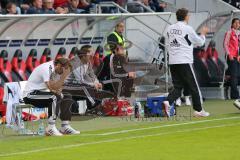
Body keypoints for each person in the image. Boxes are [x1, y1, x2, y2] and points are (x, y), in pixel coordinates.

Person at [163, 8, 209, 117]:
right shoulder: (188, 28)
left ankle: (167, 102)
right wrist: (203, 34)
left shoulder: (169, 28)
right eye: (188, 15)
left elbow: (167, 43)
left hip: (173, 61)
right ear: (186, 17)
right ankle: (198, 110)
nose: (189, 17)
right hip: (184, 60)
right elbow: (200, 42)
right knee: (194, 86)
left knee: (178, 87)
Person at [23, 58, 80, 136]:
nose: (64, 72)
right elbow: (51, 87)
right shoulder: (47, 68)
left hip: (42, 93)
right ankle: (51, 127)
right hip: (30, 95)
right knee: (54, 97)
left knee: (67, 96)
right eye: (64, 70)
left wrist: (60, 91)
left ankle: (65, 126)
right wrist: (60, 87)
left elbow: (59, 87)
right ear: (59, 65)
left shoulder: (57, 71)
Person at [64, 45, 114, 113]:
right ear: (84, 55)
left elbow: (92, 75)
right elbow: (80, 81)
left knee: (98, 86)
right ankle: (92, 107)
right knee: (87, 87)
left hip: (76, 86)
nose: (92, 55)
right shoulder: (76, 63)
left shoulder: (87, 62)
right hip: (67, 87)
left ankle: (95, 106)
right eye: (90, 53)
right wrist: (93, 85)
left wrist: (97, 83)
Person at [223, 18, 240, 99]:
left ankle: (227, 75)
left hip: (238, 57)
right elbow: (225, 44)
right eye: (235, 23)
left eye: (238, 23)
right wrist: (229, 54)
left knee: (236, 75)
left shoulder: (239, 33)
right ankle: (235, 96)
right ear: (232, 24)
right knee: (234, 75)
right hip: (231, 57)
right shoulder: (229, 32)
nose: (237, 24)